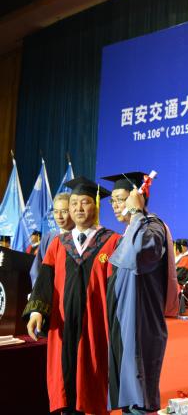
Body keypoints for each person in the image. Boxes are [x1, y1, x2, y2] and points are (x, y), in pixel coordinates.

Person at [23, 176, 119, 414]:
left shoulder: (112, 242)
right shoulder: (59, 243)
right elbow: (44, 280)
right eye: (74, 203)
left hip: (96, 325)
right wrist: (36, 311)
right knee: (64, 384)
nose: (78, 208)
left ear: (96, 206)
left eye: (85, 202)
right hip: (63, 322)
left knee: (92, 377)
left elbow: (120, 288)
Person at [102, 171, 180, 413]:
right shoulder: (130, 229)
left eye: (121, 199)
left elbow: (139, 253)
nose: (115, 205)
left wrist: (137, 212)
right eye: (113, 200)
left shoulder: (151, 226)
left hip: (140, 320)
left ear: (137, 197)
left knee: (139, 391)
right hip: (125, 318)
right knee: (128, 388)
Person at [29, 192, 75, 286]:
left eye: (64, 211)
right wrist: (40, 291)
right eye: (56, 211)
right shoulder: (48, 238)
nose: (59, 216)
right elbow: (37, 269)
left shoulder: (81, 237)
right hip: (49, 290)